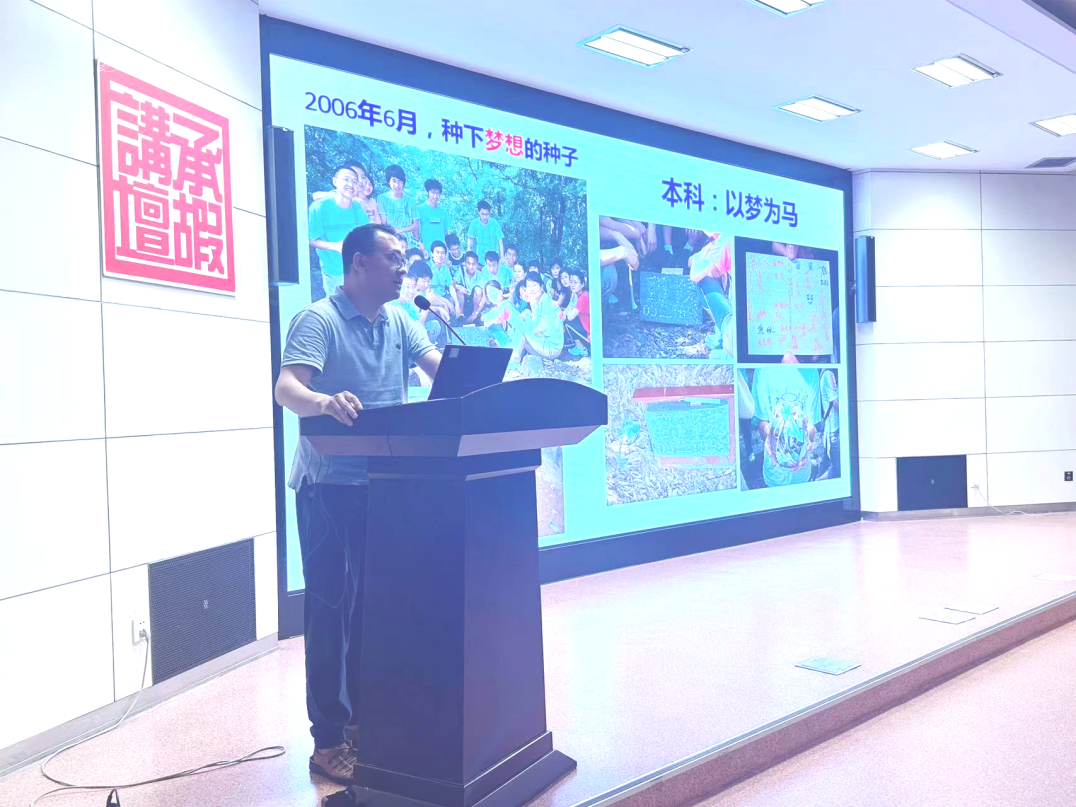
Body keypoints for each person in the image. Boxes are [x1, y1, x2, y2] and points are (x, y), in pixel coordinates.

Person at [274, 223, 441, 785]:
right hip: (328, 487)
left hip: (384, 484)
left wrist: (484, 384)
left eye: (404, 258)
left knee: (375, 610)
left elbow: (439, 371)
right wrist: (324, 401)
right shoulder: (319, 319)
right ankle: (327, 743)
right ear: (358, 263)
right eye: (393, 257)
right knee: (331, 613)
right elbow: (286, 388)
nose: (403, 267)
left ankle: (363, 725)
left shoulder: (400, 320)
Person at [751, 366, 822, 488]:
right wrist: (768, 431)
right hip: (774, 473)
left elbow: (811, 425)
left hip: (802, 472)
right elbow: (763, 422)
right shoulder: (762, 369)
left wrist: (808, 438)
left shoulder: (811, 370)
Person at [308, 165, 368, 297]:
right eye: (346, 179)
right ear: (335, 181)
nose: (350, 184)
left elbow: (367, 237)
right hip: (333, 271)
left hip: (357, 269)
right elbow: (312, 240)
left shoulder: (358, 209)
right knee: (339, 305)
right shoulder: (319, 208)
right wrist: (335, 246)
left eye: (354, 181)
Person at [312, 162, 381, 225]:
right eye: (355, 175)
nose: (360, 180)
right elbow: (316, 195)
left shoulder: (370, 201)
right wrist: (353, 200)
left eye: (363, 177)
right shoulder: (341, 194)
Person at [376, 164, 420, 248]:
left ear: (403, 182)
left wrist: (400, 230)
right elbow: (384, 224)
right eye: (394, 181)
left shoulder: (411, 201)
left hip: (409, 244)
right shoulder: (382, 199)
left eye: (400, 181)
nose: (397, 185)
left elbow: (416, 225)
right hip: (391, 242)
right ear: (389, 182)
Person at [453, 250, 489, 324]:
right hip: (464, 301)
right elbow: (453, 283)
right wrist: (458, 286)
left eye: (473, 264)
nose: (471, 267)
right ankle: (460, 316)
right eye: (468, 263)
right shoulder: (461, 271)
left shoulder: (480, 275)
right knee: (459, 291)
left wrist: (475, 313)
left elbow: (484, 296)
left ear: (477, 264)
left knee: (478, 290)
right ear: (465, 263)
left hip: (475, 303)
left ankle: (475, 316)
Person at [427, 240, 460, 319]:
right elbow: (428, 290)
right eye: (437, 252)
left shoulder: (445, 268)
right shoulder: (427, 267)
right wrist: (445, 302)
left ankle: (457, 321)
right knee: (444, 306)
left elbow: (451, 286)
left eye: (442, 253)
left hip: (443, 295)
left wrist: (457, 304)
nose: (440, 255)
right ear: (432, 254)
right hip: (431, 297)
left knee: (456, 299)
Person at [562, 267, 590, 357]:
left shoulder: (583, 297)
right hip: (585, 326)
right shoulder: (579, 294)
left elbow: (570, 317)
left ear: (582, 284)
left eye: (575, 282)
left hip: (589, 334)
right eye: (571, 282)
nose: (572, 285)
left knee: (567, 321)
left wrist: (566, 312)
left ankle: (582, 348)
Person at [416, 179, 448, 255]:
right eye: (433, 192)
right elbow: (416, 231)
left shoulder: (443, 212)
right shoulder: (419, 209)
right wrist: (419, 246)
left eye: (438, 193)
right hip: (425, 251)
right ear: (427, 192)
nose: (435, 196)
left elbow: (446, 233)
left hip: (441, 253)